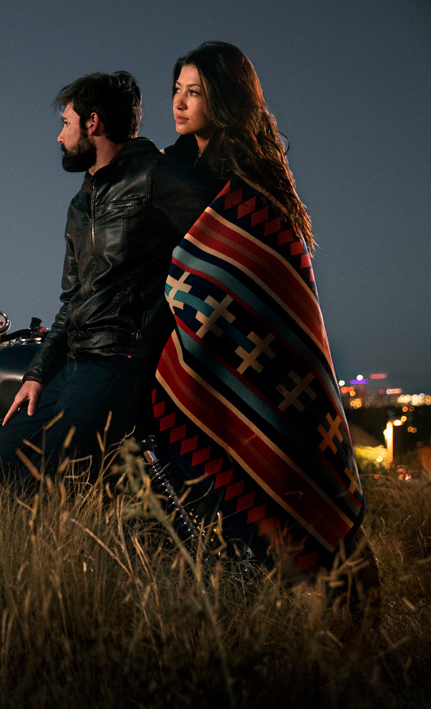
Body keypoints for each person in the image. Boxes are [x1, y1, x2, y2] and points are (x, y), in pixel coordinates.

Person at [155, 42, 378, 616]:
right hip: (201, 362)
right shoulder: (173, 169)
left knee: (281, 478)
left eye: (195, 91)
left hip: (268, 369)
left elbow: (271, 285)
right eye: (177, 89)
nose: (179, 102)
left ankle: (302, 609)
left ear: (225, 98)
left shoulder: (255, 181)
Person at [0, 71, 215, 488]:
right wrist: (37, 374)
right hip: (76, 363)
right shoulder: (80, 202)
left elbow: (224, 223)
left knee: (46, 465)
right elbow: (71, 302)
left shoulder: (155, 176)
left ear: (93, 123)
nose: (59, 138)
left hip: (123, 361)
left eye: (65, 124)